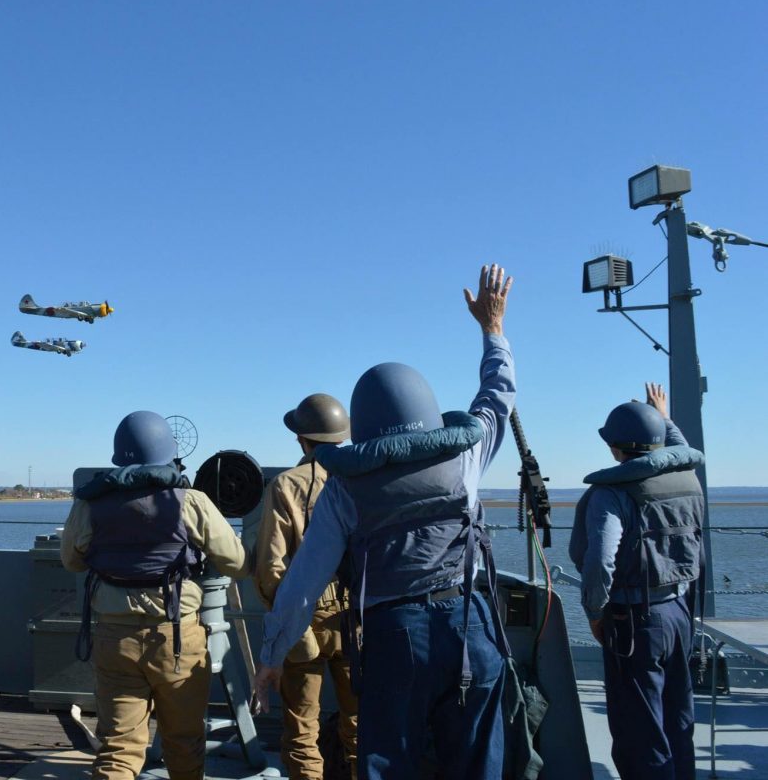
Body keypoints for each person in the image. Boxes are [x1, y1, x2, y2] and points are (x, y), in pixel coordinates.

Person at [253, 264, 516, 780]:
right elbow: (498, 395)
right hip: (472, 622)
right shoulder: (467, 458)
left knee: (389, 764)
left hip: (396, 637)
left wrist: (271, 655)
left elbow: (303, 581)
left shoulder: (345, 488)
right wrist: (493, 330)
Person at [60, 410, 251, 780]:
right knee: (184, 741)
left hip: (115, 638)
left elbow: (72, 561)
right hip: (176, 638)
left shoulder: (89, 504)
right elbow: (237, 563)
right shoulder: (190, 502)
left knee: (118, 748)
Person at [568, 383, 705, 779]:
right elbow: (679, 448)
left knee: (638, 729)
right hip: (679, 613)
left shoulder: (611, 493)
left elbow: (599, 562)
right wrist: (662, 416)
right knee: (678, 719)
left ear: (615, 448)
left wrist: (594, 613)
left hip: (634, 621)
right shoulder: (687, 477)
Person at [254, 393, 357, 780]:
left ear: (301, 439)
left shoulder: (286, 486)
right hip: (356, 618)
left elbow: (270, 567)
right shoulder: (360, 479)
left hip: (304, 617)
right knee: (362, 727)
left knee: (301, 730)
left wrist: (279, 624)